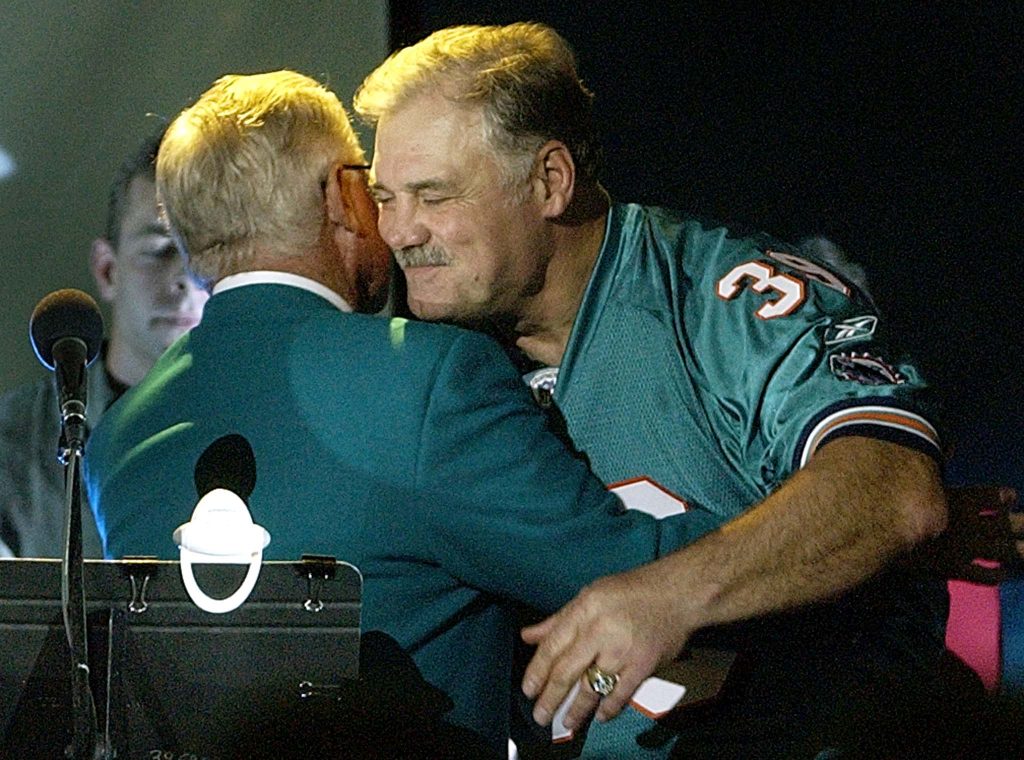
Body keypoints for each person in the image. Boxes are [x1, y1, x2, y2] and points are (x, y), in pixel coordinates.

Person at [353, 22, 1011, 758]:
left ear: (549, 181)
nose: (400, 231)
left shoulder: (722, 301)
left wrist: (667, 594)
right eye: (385, 197)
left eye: (432, 196)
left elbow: (892, 488)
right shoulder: (429, 355)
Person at [83, 70, 718, 756]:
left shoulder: (115, 442)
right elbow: (632, 574)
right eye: (374, 186)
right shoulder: (427, 377)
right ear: (342, 196)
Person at [0, 131, 208, 558]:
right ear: (107, 269)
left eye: (201, 250)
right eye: (159, 249)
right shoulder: (15, 438)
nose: (183, 278)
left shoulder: (254, 423)